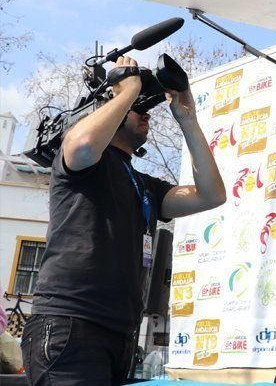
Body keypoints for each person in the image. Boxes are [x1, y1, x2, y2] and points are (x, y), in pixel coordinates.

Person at [21, 55, 226, 386]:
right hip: (70, 325)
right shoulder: (81, 161)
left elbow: (211, 194)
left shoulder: (145, 185)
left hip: (121, 333)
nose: (146, 113)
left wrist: (188, 120)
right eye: (138, 108)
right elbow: (84, 142)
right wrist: (126, 91)